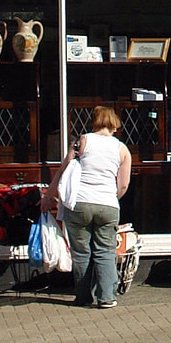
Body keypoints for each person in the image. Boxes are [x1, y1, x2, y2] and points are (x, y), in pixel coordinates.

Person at [54, 107, 131, 308]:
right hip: (108, 205)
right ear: (114, 123)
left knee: (81, 252)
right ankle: (107, 297)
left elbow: (64, 170)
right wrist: (112, 198)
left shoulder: (82, 141)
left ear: (94, 122)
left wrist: (51, 196)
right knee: (105, 250)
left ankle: (83, 297)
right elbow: (123, 184)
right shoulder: (122, 149)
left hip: (80, 202)